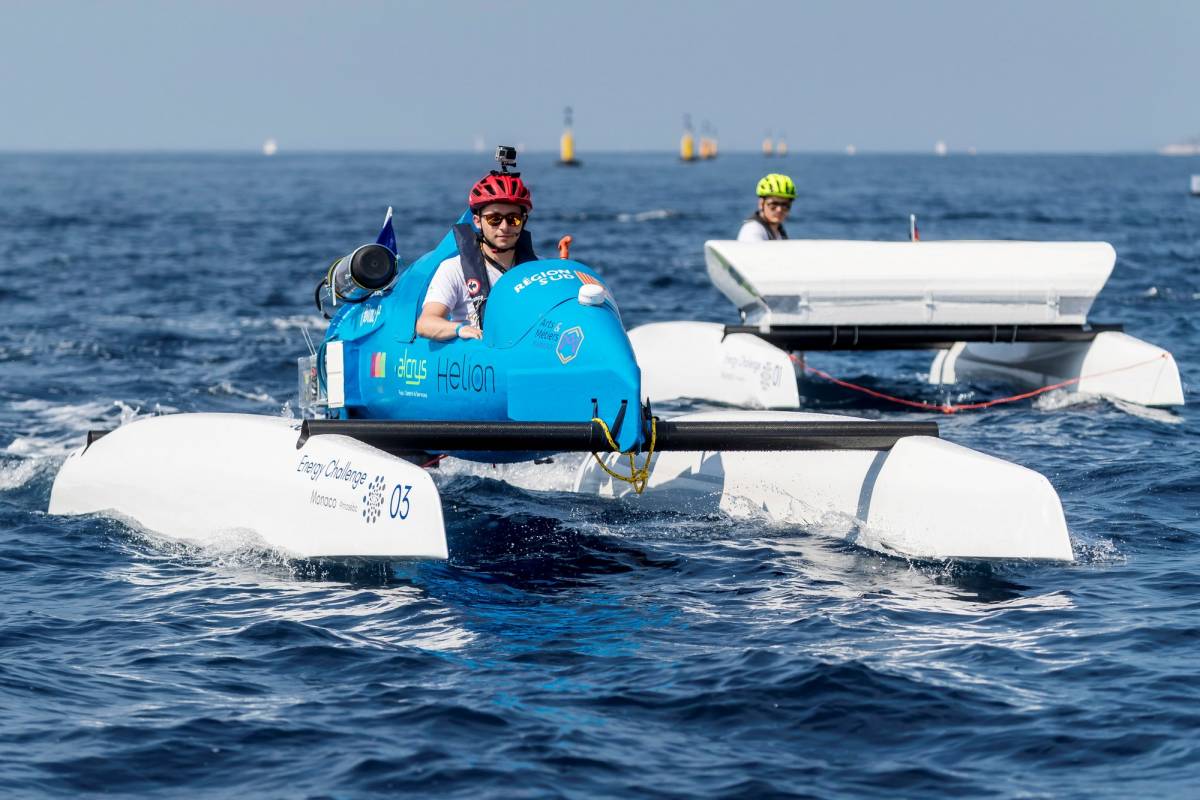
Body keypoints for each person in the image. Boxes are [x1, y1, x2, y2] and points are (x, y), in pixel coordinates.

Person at [417, 171, 537, 341]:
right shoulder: (454, 269)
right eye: (494, 219)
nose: (504, 227)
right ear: (477, 221)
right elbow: (425, 323)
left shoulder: (537, 268)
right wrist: (461, 329)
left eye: (513, 219)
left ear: (523, 221)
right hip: (477, 358)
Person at [737, 173, 795, 241]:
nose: (779, 209)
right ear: (761, 204)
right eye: (774, 204)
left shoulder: (779, 232)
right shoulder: (752, 230)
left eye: (785, 205)